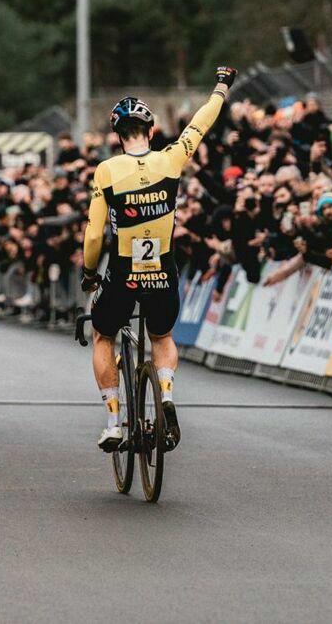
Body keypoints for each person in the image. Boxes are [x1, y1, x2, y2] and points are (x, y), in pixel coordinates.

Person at [81, 66, 237, 452]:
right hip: (162, 268)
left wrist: (88, 272)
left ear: (118, 137)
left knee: (103, 335)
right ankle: (166, 394)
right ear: (150, 132)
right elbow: (200, 124)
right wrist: (221, 85)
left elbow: (94, 235)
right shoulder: (171, 159)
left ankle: (114, 422)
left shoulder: (107, 171)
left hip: (122, 270)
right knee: (162, 335)